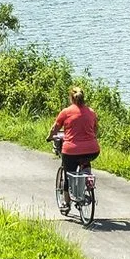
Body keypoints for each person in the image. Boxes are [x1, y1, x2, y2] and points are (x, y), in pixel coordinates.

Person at [49, 86, 100, 214]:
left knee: (68, 174)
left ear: (71, 98)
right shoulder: (91, 112)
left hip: (71, 150)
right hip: (92, 150)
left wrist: (49, 137)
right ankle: (87, 178)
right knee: (85, 161)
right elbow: (95, 130)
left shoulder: (66, 112)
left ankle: (66, 203)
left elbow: (55, 128)